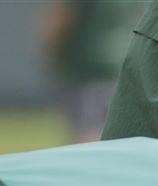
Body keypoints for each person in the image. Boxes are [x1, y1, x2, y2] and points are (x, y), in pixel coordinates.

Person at [41, 0, 147, 143]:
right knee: (117, 135)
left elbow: (59, 19)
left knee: (87, 133)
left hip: (86, 69)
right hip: (122, 68)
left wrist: (51, 54)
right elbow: (142, 18)